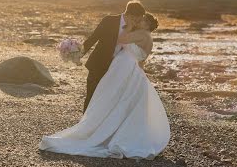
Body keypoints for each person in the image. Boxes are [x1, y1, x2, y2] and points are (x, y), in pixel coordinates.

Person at [39, 11, 170, 159]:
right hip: (131, 68)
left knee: (110, 96)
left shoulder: (141, 34)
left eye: (142, 20)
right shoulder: (148, 37)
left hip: (123, 67)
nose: (139, 21)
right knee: (122, 101)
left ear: (147, 24)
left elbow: (121, 39)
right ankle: (111, 129)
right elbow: (142, 61)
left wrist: (128, 26)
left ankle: (101, 129)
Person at [81, 0, 145, 112]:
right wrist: (78, 54)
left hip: (117, 69)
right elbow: (93, 38)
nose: (136, 22)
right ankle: (85, 124)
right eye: (135, 19)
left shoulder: (135, 28)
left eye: (139, 20)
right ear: (128, 15)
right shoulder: (109, 20)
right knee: (91, 95)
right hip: (98, 64)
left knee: (109, 99)